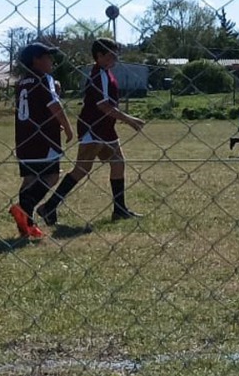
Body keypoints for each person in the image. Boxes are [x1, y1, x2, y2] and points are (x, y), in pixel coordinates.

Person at [38, 37, 147, 225]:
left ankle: (119, 209)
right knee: (81, 169)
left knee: (118, 163)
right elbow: (103, 106)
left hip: (106, 128)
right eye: (112, 54)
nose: (116, 58)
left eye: (116, 54)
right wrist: (129, 120)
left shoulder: (106, 73)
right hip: (93, 128)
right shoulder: (99, 75)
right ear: (100, 55)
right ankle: (49, 206)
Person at [10, 42, 74, 239]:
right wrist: (69, 127)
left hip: (24, 137)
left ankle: (26, 226)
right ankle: (25, 208)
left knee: (29, 179)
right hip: (44, 139)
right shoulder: (44, 78)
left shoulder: (21, 82)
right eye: (48, 57)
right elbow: (53, 105)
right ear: (36, 60)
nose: (52, 61)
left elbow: (35, 108)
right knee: (52, 175)